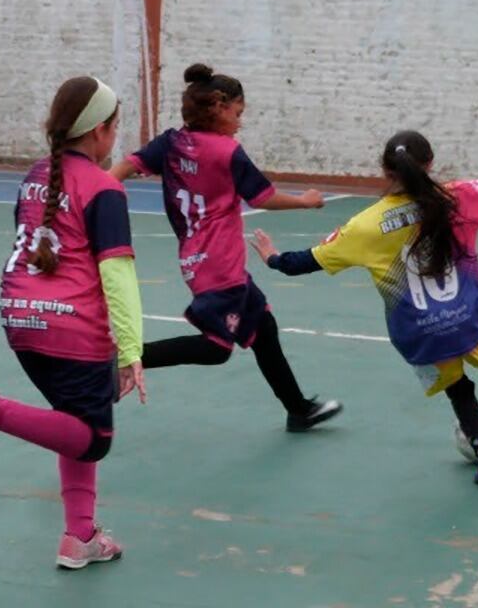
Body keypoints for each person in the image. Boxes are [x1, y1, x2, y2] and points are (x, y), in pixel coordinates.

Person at [252, 130, 478, 486]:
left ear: (384, 170)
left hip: (421, 333)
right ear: (430, 165)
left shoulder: (364, 225)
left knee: (458, 389)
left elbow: (307, 261)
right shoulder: (457, 198)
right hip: (466, 318)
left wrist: (273, 258)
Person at [0, 76, 146, 569]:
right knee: (94, 439)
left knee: (70, 424)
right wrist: (132, 350)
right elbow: (117, 275)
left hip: (19, 315)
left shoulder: (36, 174)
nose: (116, 138)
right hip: (71, 326)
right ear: (99, 131)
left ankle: (80, 537)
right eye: (115, 128)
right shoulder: (104, 188)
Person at [110, 63, 341, 431]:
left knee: (263, 328)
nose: (239, 121)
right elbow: (262, 196)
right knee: (217, 349)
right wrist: (306, 200)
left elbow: (124, 166)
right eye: (238, 113)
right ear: (218, 108)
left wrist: (94, 192)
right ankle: (126, 358)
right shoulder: (226, 151)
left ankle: (298, 410)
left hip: (197, 258)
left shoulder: (169, 143)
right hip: (220, 264)